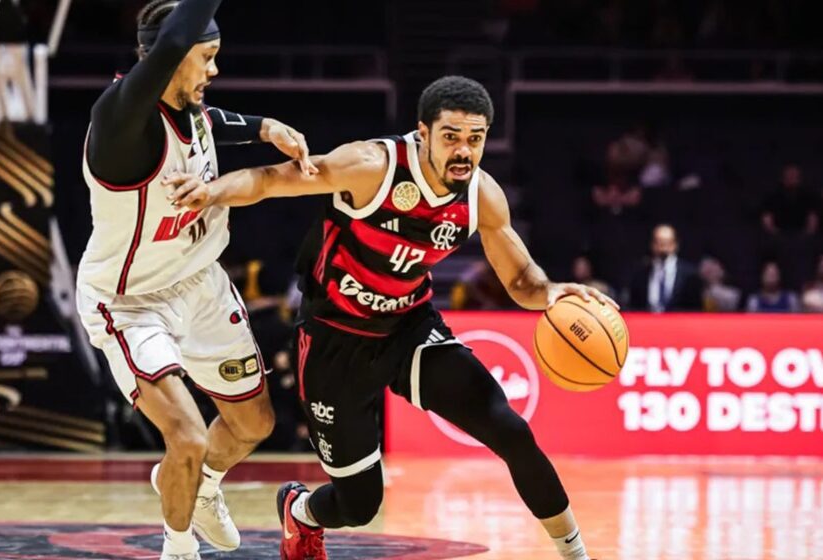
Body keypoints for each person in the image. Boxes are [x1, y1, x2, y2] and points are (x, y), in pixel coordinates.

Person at [164, 75, 610, 560]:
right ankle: (301, 512)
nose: (464, 151)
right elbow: (272, 180)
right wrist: (210, 191)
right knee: (360, 504)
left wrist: (551, 292)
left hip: (408, 329)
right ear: (423, 133)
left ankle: (575, 553)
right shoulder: (372, 166)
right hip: (335, 339)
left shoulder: (482, 194)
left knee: (511, 430)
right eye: (452, 137)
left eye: (475, 139)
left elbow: (521, 280)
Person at [74, 1, 316, 558]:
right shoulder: (119, 120)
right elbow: (171, 51)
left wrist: (265, 128)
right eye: (205, 58)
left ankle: (200, 487)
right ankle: (178, 547)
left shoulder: (190, 109)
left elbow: (212, 125)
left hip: (200, 285)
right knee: (185, 435)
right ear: (170, 56)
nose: (213, 70)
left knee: (253, 422)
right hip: (130, 301)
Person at [627, 224, 703, 312]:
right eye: (659, 241)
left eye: (667, 242)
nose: (663, 246)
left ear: (675, 244)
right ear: (652, 244)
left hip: (680, 322)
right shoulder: (640, 273)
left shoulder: (689, 274)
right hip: (648, 322)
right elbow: (634, 306)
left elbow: (696, 309)